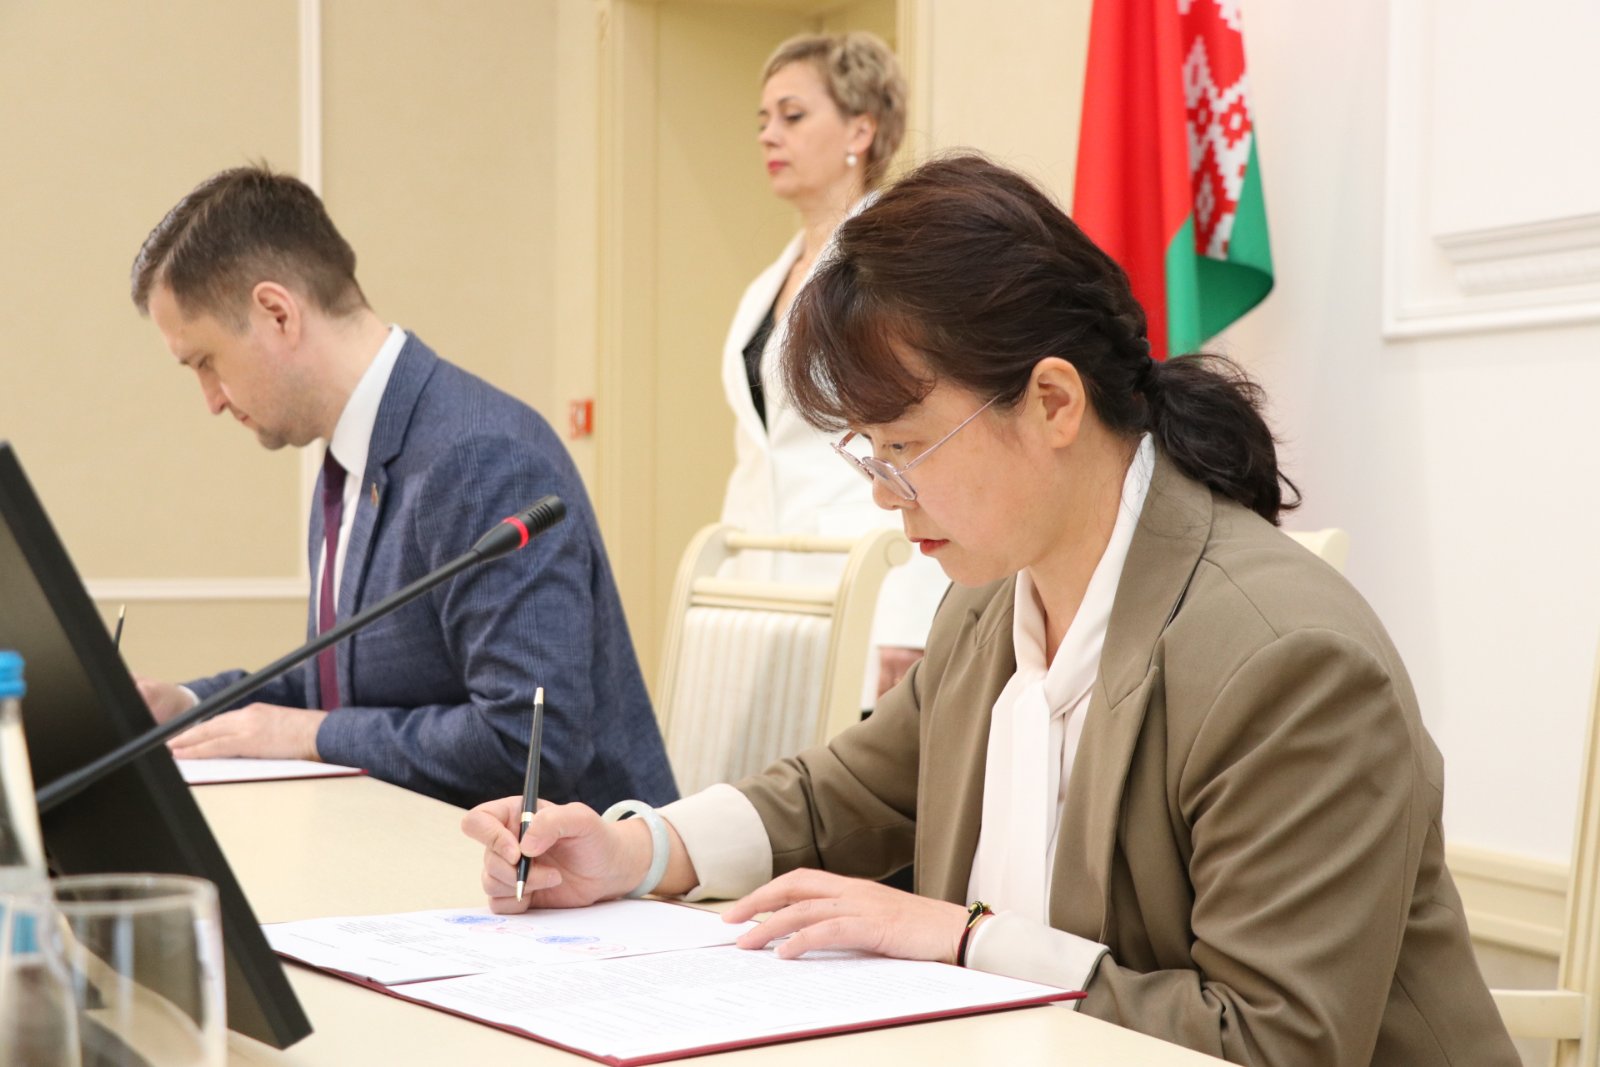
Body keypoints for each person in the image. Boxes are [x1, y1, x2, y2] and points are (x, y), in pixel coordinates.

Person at [465, 154, 1518, 1065]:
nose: (886, 496)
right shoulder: (992, 600)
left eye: (907, 446)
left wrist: (963, 939)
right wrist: (635, 852)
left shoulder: (1286, 659)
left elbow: (1271, 1041)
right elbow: (838, 795)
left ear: (1053, 401)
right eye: (868, 454)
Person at [129, 165, 677, 811]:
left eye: (205, 362)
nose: (211, 400)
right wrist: (190, 705)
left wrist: (309, 735)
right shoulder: (350, 454)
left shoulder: (479, 457)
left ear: (277, 313)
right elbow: (353, 689)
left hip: (565, 866)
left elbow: (530, 744)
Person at [722, 31, 946, 701]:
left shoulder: (892, 263)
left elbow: (924, 437)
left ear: (860, 129)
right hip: (762, 592)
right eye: (763, 119)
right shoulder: (767, 283)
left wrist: (907, 610)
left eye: (792, 115)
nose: (768, 135)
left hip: (864, 582)